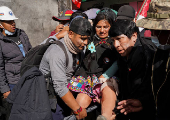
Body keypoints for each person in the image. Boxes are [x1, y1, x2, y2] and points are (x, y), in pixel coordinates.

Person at [68, 9, 118, 120]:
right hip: (88, 79)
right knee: (78, 107)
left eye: (106, 27)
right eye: (98, 27)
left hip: (106, 79)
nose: (102, 30)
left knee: (107, 104)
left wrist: (105, 76)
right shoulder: (89, 39)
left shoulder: (115, 42)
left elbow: (118, 62)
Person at [39, 17, 92, 120]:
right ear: (71, 34)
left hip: (64, 95)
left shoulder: (79, 49)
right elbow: (60, 86)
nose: (86, 42)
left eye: (87, 38)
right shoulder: (56, 51)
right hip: (49, 98)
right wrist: (78, 109)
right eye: (82, 38)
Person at [109, 19, 155, 120]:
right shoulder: (124, 53)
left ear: (134, 36)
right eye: (113, 40)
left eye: (119, 39)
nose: (116, 44)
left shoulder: (143, 55)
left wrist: (143, 102)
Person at [136, 0, 170, 119]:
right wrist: (143, 102)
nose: (153, 33)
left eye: (157, 30)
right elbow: (160, 91)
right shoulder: (160, 52)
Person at [0, 6, 32, 119]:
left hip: (27, 79)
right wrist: (5, 89)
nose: (12, 23)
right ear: (0, 25)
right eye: (8, 22)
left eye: (13, 20)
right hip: (13, 83)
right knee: (16, 113)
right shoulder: (1, 41)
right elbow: (0, 67)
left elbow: (31, 53)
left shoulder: (21, 34)